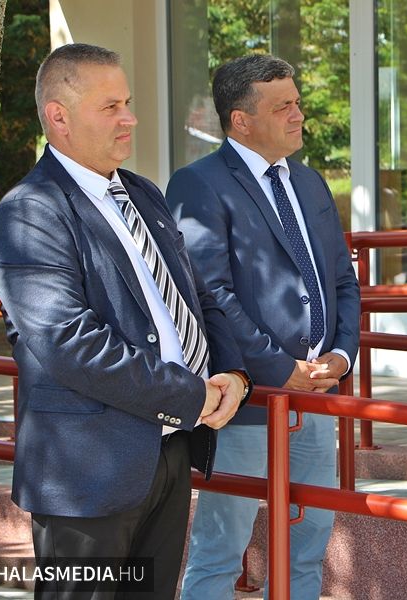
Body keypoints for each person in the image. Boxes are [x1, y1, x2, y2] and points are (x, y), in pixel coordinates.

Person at [0, 43, 250, 599]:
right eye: (110, 107)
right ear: (59, 117)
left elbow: (197, 297)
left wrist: (232, 374)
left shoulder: (142, 194)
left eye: (127, 102)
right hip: (88, 475)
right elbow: (69, 342)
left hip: (168, 452)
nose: (129, 118)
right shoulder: (31, 210)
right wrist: (189, 395)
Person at [166, 54, 360, 599]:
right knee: (220, 548)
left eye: (297, 103)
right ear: (241, 120)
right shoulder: (198, 185)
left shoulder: (310, 182)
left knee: (309, 545)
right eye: (283, 107)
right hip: (246, 401)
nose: (299, 115)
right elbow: (210, 294)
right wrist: (278, 369)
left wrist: (342, 356)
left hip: (316, 397)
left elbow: (342, 280)